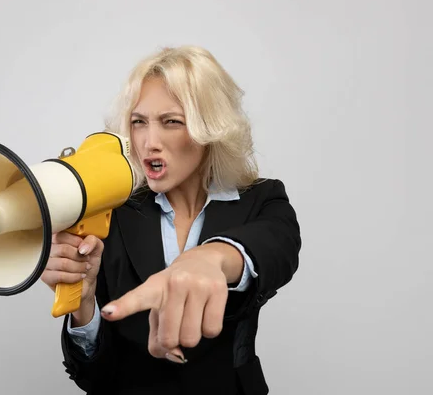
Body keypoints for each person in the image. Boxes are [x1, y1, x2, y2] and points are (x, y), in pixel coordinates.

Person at [41, 45, 301, 395]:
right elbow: (95, 378)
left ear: (209, 128)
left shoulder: (260, 200)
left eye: (171, 122)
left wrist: (211, 258)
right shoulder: (111, 213)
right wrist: (85, 304)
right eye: (138, 122)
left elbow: (276, 247)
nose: (149, 142)